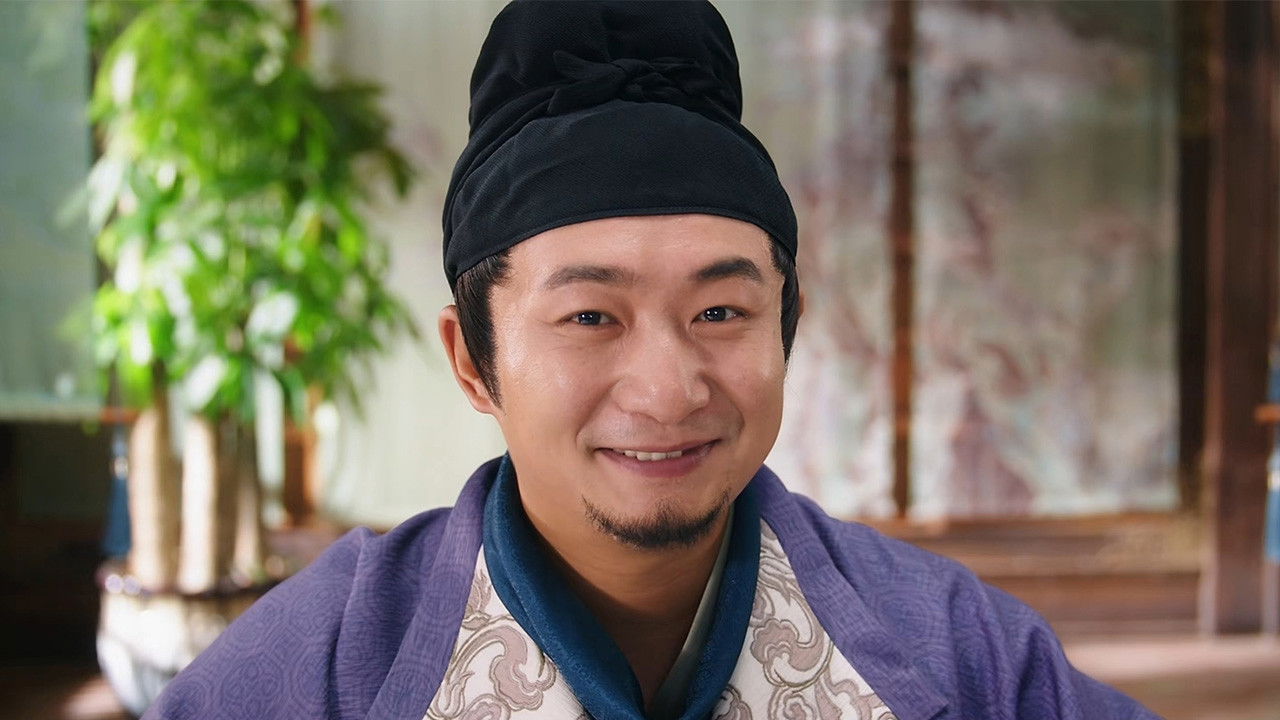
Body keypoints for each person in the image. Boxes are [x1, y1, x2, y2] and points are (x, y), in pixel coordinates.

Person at [143, 2, 1160, 718]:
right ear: (471, 359)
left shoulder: (954, 649)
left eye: (719, 310)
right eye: (590, 317)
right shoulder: (325, 664)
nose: (669, 389)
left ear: (787, 324)